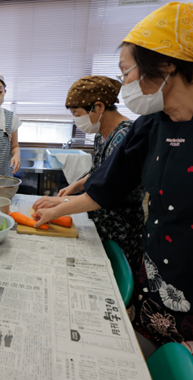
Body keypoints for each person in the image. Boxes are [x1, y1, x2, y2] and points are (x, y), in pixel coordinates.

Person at [32, 3, 193, 379]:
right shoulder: (151, 125)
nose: (123, 84)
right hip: (156, 296)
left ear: (167, 64)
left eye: (126, 72)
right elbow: (106, 187)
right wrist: (56, 209)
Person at [61, 76, 144, 274]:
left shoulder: (126, 136)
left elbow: (106, 190)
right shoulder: (101, 134)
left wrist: (59, 209)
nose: (76, 120)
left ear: (98, 107)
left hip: (121, 228)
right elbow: (98, 173)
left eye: (77, 114)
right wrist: (75, 186)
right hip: (99, 223)